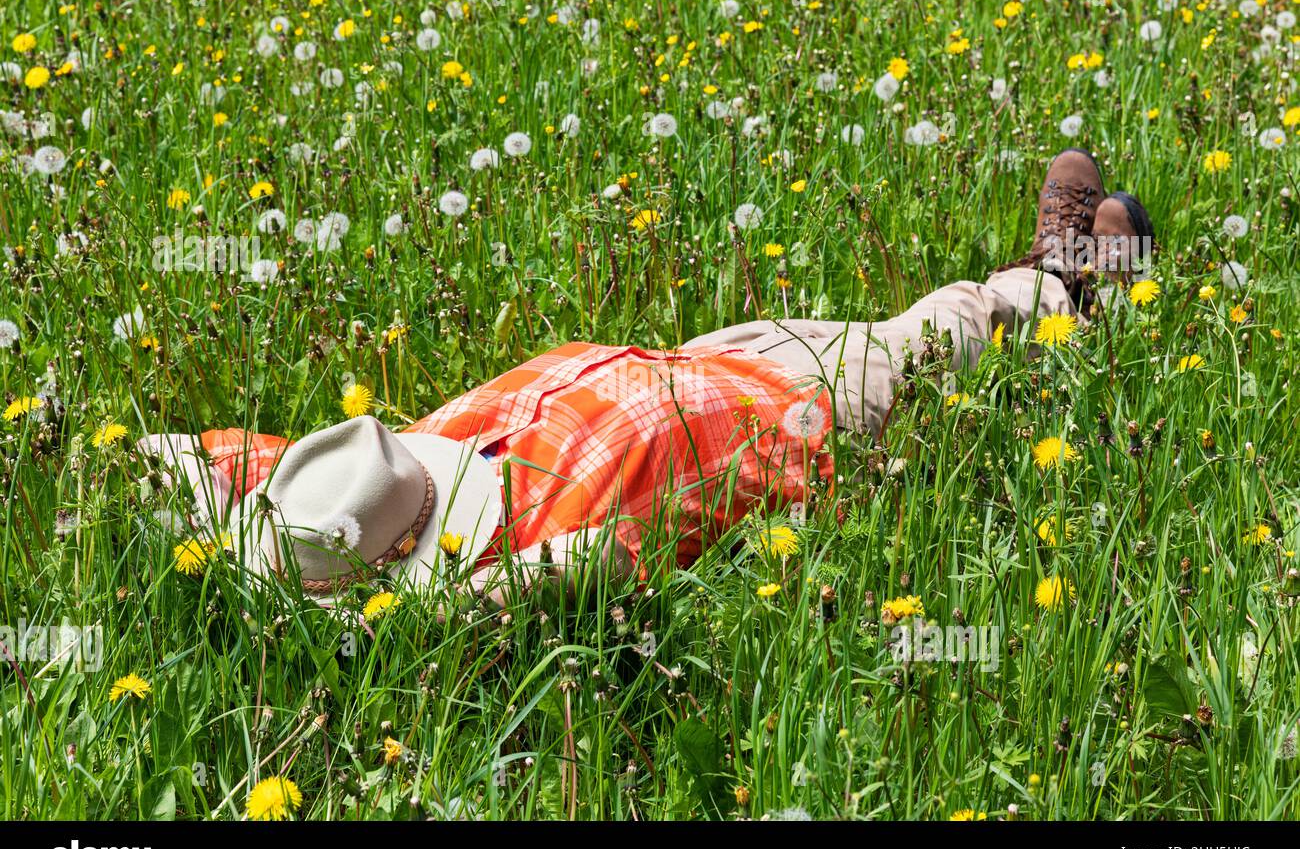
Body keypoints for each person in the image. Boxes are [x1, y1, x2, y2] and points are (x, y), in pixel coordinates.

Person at [139, 149, 1152, 609]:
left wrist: (112, 459)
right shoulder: (526, 559)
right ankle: (1075, 289)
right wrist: (434, 609)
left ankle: (1053, 282)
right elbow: (580, 572)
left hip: (712, 358)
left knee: (887, 325)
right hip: (794, 423)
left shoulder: (363, 481)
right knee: (939, 332)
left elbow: (208, 465)